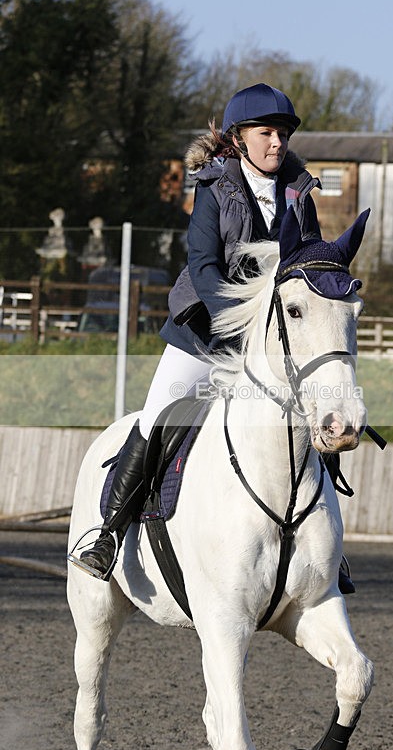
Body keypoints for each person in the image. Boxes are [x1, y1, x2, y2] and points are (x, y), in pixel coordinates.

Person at [68, 83, 355, 593]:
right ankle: (107, 533)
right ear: (240, 138)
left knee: (316, 412)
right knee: (158, 415)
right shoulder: (214, 187)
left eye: (283, 134)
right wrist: (237, 324)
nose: (277, 143)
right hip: (205, 332)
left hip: (270, 343)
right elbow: (202, 265)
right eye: (266, 133)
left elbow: (307, 267)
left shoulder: (300, 194)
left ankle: (328, 551)